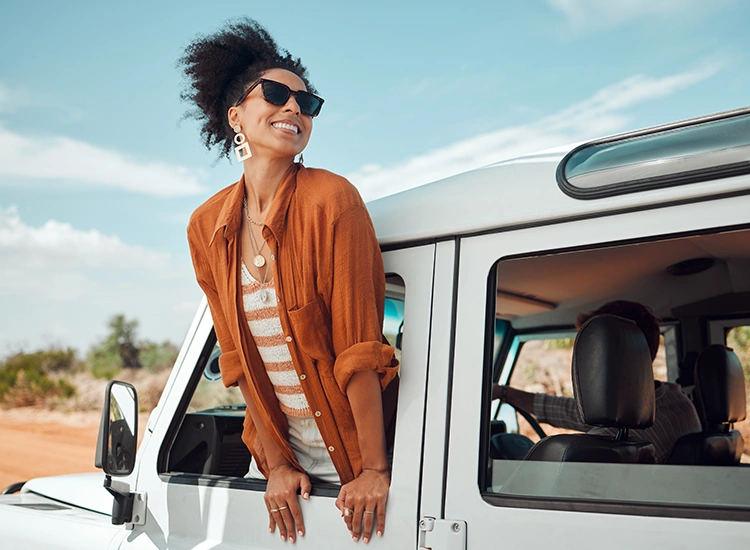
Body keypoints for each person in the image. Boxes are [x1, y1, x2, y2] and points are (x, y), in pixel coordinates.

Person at [181, 19, 398, 544]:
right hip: (281, 469)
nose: (294, 108)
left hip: (354, 464)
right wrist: (275, 466)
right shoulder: (206, 226)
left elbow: (359, 350)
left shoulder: (332, 200)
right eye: (277, 94)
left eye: (308, 102)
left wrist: (373, 470)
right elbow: (236, 359)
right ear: (236, 114)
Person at [494, 300, 701, 463]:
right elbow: (570, 410)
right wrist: (505, 393)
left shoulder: (612, 445)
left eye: (589, 350)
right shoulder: (677, 401)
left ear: (605, 357)